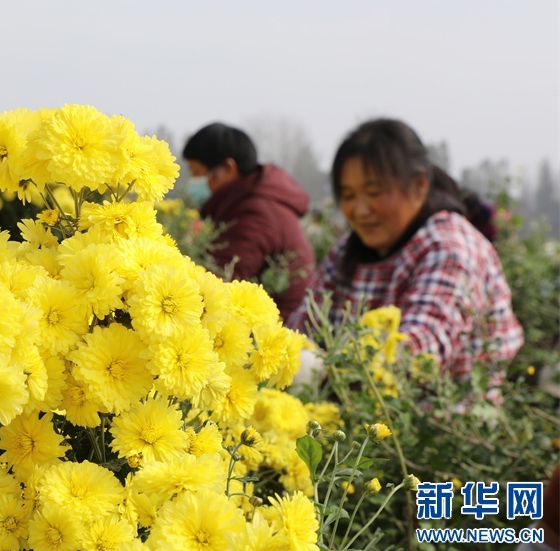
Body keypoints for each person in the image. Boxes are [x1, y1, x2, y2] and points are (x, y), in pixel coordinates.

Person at [287, 118, 523, 382]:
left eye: (374, 192)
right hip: (356, 409)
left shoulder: (449, 247)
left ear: (420, 185)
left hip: (441, 418)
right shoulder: (345, 251)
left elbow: (419, 354)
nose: (361, 210)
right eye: (349, 196)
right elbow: (301, 326)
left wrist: (320, 370)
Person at [183, 122, 314, 321]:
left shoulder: (256, 214)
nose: (192, 181)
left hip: (281, 332)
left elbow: (219, 282)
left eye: (196, 171)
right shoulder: (247, 203)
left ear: (228, 168)